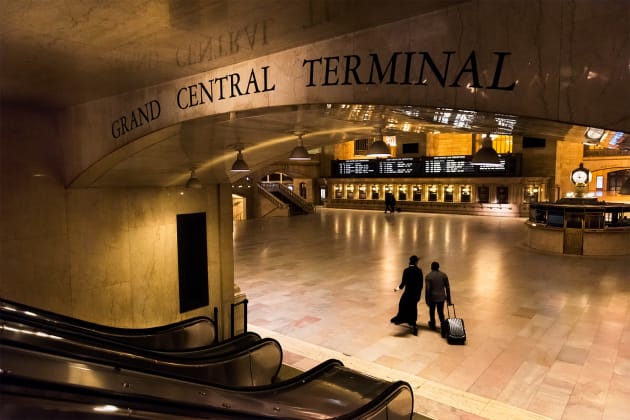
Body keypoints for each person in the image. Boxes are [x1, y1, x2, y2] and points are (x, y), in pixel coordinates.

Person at [390, 255, 423, 335]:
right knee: (413, 308)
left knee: (402, 304)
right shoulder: (419, 271)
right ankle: (413, 324)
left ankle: (401, 319)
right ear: (416, 262)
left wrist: (397, 289)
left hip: (407, 293)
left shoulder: (406, 270)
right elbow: (420, 285)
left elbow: (403, 284)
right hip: (415, 294)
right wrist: (419, 295)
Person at [425, 261, 451, 331]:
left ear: (431, 267)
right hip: (441, 297)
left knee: (432, 311)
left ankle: (432, 324)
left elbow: (427, 289)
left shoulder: (428, 276)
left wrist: (427, 299)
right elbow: (447, 287)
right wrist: (449, 299)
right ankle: (443, 325)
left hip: (432, 298)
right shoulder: (444, 275)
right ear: (438, 267)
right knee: (440, 312)